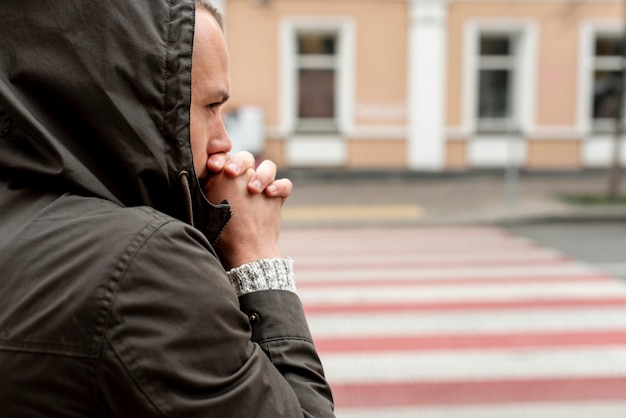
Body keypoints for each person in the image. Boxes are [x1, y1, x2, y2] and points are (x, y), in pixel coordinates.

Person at [0, 0, 335, 416]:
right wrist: (256, 257)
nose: (224, 141)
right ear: (129, 105)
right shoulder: (146, 264)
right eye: (210, 107)